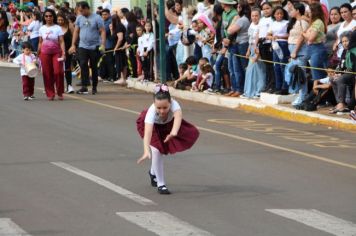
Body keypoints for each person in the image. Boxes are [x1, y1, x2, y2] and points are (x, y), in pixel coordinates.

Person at [136, 84, 199, 194]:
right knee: (156, 151)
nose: (162, 111)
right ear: (154, 104)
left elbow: (178, 118)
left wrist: (173, 132)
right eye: (158, 108)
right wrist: (146, 150)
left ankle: (152, 172)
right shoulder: (150, 112)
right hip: (154, 127)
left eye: (165, 107)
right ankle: (161, 184)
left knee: (162, 150)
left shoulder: (175, 105)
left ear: (170, 103)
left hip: (168, 126)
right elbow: (148, 133)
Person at [69, 1, 106, 95]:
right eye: (79, 11)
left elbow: (102, 31)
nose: (81, 13)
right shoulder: (79, 18)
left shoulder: (97, 18)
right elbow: (76, 31)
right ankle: (84, 86)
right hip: (82, 46)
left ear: (87, 8)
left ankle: (94, 86)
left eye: (82, 10)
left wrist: (103, 44)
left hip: (94, 46)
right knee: (83, 64)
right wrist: (73, 44)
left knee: (93, 66)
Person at [38, 9, 65, 101]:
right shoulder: (42, 28)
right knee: (47, 74)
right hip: (44, 53)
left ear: (53, 17)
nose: (48, 18)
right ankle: (50, 93)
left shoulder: (57, 28)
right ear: (44, 17)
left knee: (58, 72)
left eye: (50, 16)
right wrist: (38, 53)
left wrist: (64, 53)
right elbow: (40, 42)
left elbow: (61, 41)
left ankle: (60, 92)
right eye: (46, 16)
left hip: (56, 53)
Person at [57, 12, 75, 94]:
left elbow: (75, 36)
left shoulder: (69, 25)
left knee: (67, 68)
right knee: (57, 69)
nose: (60, 21)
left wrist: (73, 46)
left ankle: (69, 85)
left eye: (61, 20)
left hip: (68, 50)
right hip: (57, 51)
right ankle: (57, 86)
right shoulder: (55, 27)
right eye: (58, 20)